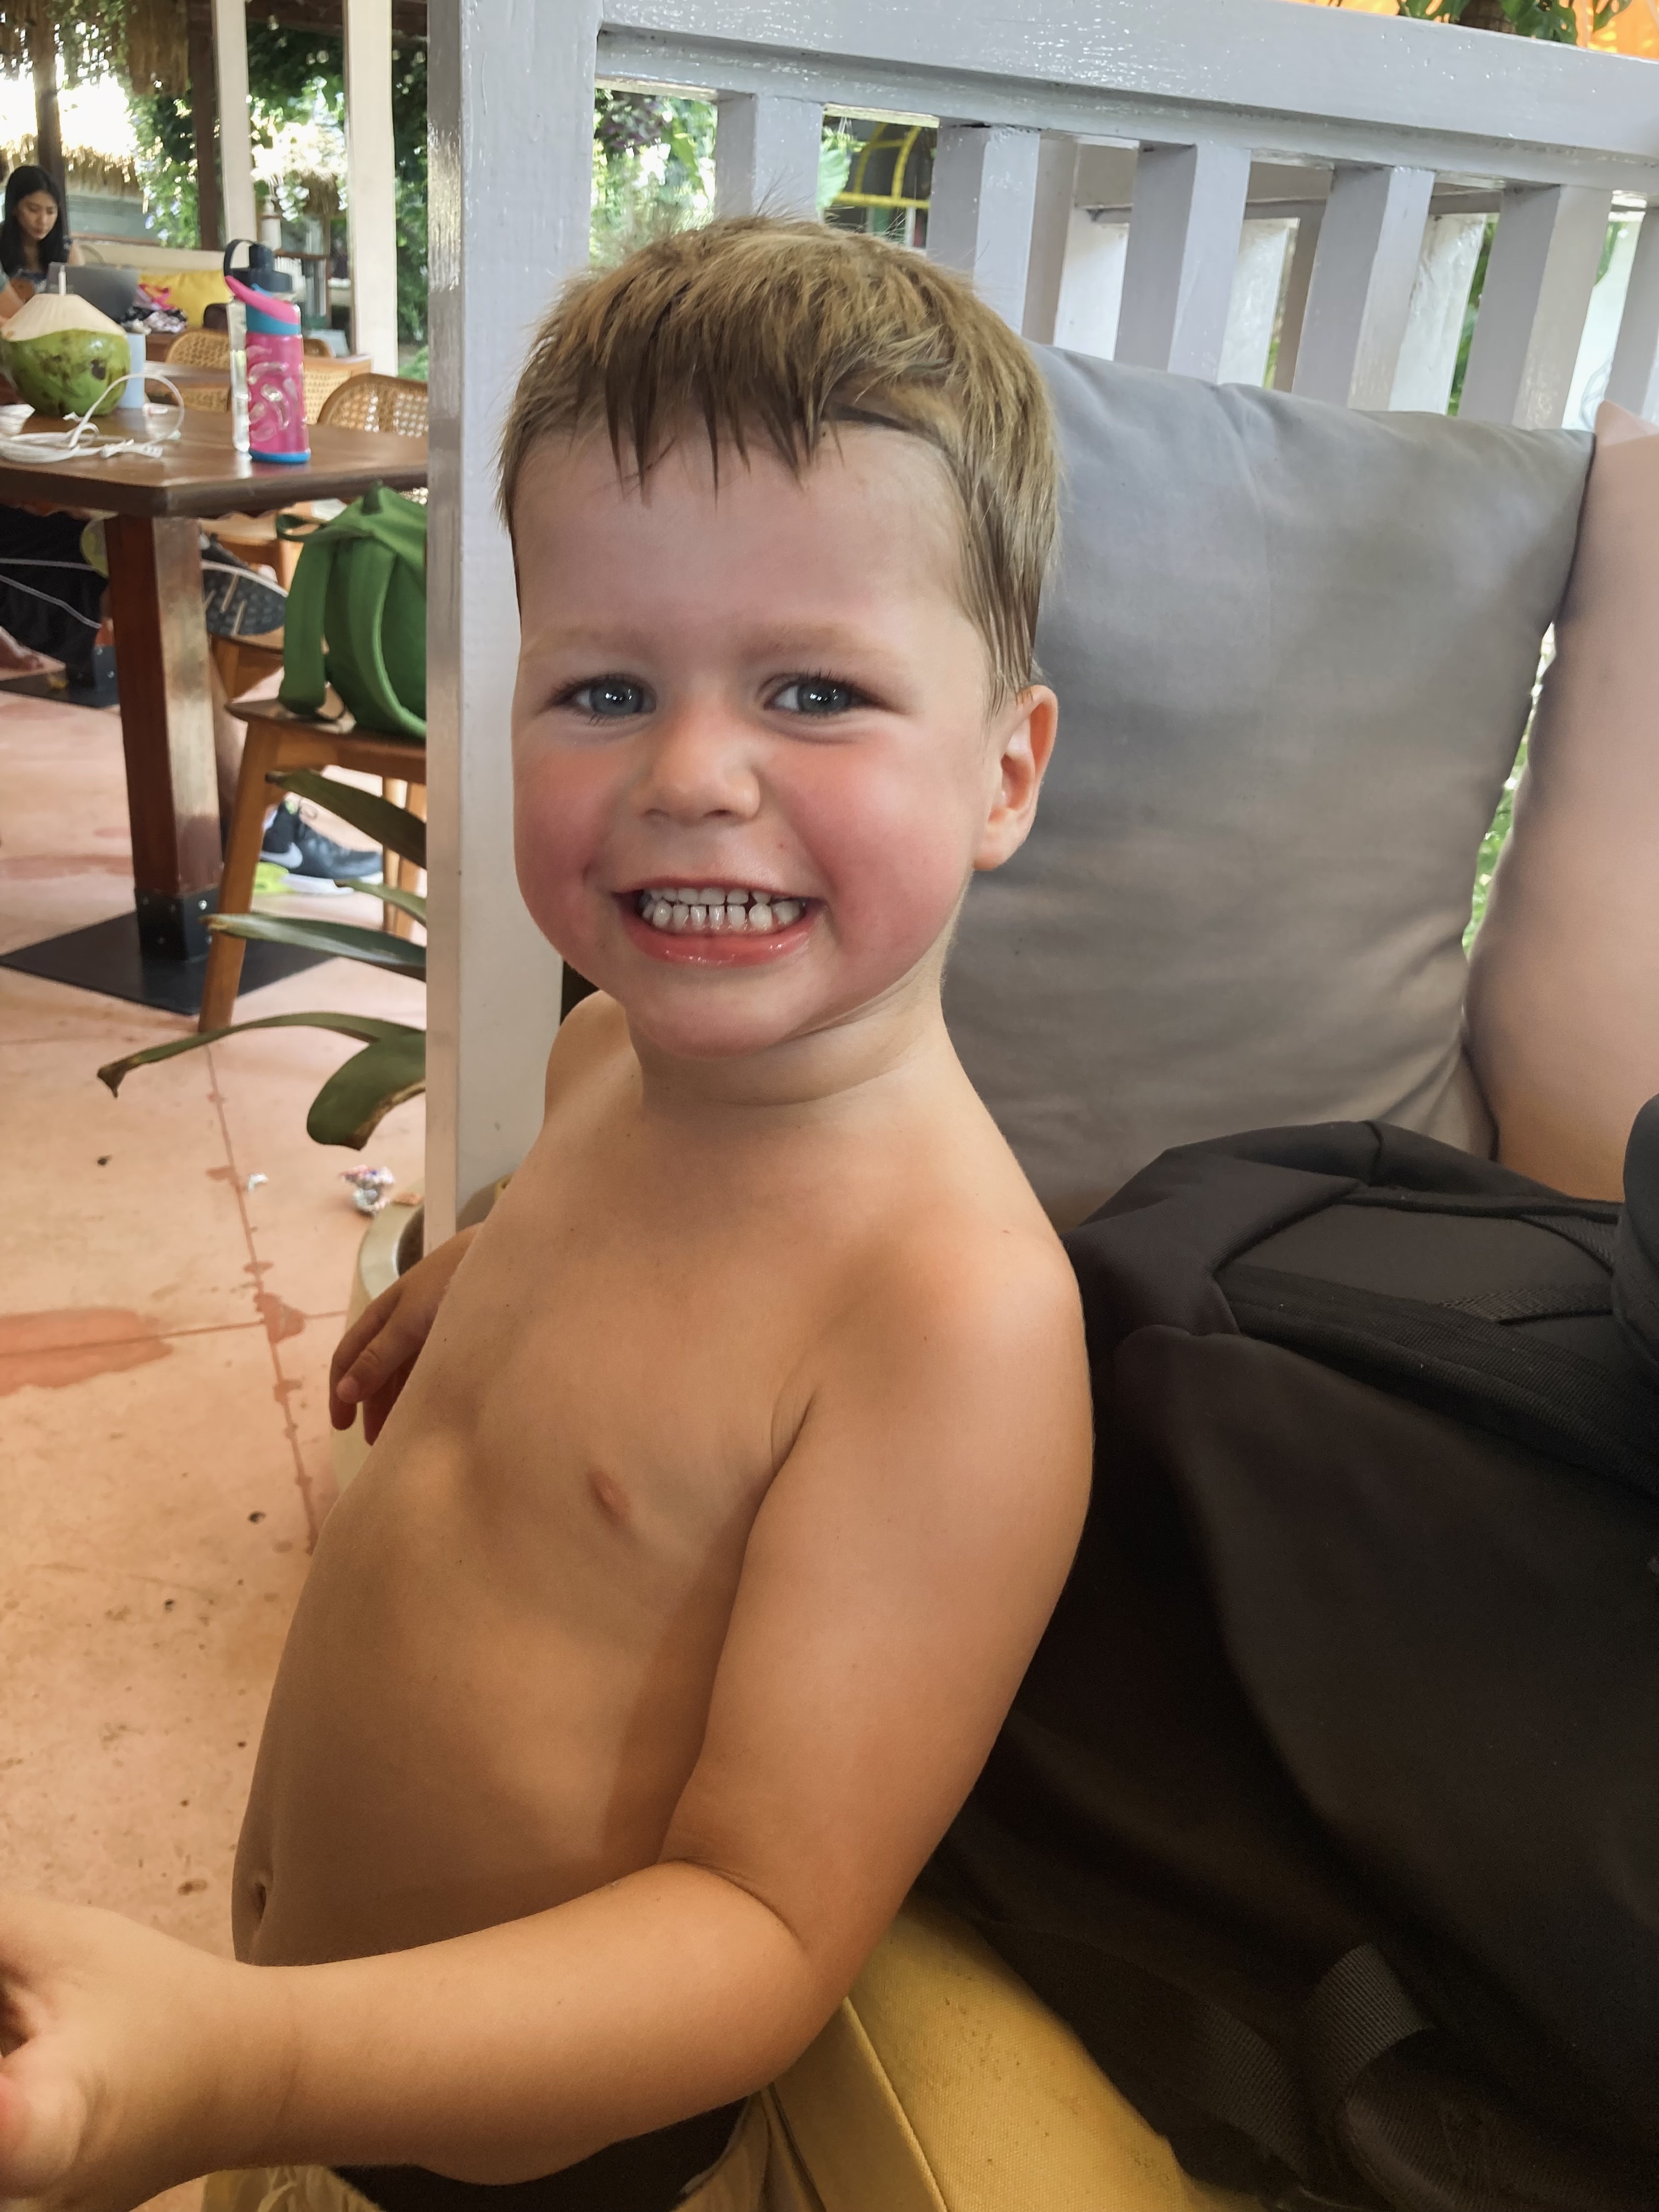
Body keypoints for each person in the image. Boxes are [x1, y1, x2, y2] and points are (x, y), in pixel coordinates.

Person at [0, 217, 1092, 2212]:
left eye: (813, 689)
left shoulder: (949, 1322)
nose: (691, 773)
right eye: (601, 686)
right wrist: (493, 1272)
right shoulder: (609, 1066)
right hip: (280, 2073)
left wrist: (236, 2064)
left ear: (1004, 772)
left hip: (507, 2170)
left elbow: (758, 1930)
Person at [0, 164, 82, 319]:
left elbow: (79, 306)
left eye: (51, 212)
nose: (43, 221)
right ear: (14, 208)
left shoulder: (68, 250)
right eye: (33, 210)